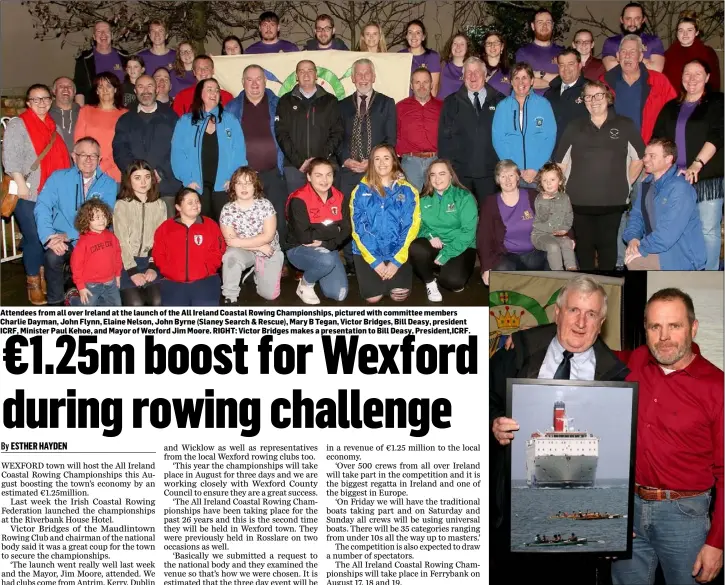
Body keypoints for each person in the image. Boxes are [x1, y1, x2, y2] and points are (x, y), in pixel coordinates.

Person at [489, 275, 629, 585]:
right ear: (557, 312)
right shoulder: (518, 351)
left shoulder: (615, 376)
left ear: (602, 321)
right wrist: (493, 423)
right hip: (510, 515)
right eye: (573, 310)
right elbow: (483, 396)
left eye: (591, 314)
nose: (581, 322)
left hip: (578, 520)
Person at [611, 288, 723, 585]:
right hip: (628, 510)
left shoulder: (717, 386)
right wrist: (535, 337)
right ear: (645, 330)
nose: (664, 336)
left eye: (674, 326)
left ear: (693, 328)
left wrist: (717, 543)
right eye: (655, 326)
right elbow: (583, 347)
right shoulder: (633, 363)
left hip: (685, 516)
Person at [554, 80, 644, 271]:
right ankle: (586, 289)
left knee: (608, 246)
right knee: (584, 247)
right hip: (578, 201)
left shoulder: (625, 125)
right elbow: (560, 164)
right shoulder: (574, 126)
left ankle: (607, 288)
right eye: (588, 96)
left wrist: (626, 183)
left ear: (608, 97)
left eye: (598, 95)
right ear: (584, 100)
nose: (593, 100)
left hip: (612, 201)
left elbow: (639, 159)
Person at [2, 84, 71, 305]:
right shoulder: (18, 124)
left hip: (54, 194)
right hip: (30, 192)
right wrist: (21, 184)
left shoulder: (54, 127)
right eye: (36, 99)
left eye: (45, 99)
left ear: (51, 101)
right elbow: (10, 157)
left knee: (47, 240)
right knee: (33, 239)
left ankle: (44, 279)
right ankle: (33, 283)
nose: (41, 103)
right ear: (28, 103)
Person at [653, 59, 724, 270]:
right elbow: (658, 139)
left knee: (708, 230)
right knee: (679, 230)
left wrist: (697, 164)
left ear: (708, 77)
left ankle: (708, 273)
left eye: (698, 74)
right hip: (676, 180)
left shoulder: (717, 102)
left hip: (707, 177)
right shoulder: (671, 107)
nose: (691, 79)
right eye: (687, 73)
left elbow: (718, 135)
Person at [33, 137, 117, 306]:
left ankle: (81, 294)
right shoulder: (58, 178)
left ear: (100, 159)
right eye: (83, 154)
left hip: (94, 239)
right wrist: (49, 236)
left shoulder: (109, 184)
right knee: (52, 256)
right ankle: (55, 303)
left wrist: (68, 234)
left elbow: (105, 218)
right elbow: (42, 206)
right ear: (74, 156)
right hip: (64, 241)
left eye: (93, 156)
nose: (88, 160)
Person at [337, 58, 396, 273]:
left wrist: (373, 162)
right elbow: (336, 138)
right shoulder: (341, 105)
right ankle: (353, 263)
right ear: (353, 78)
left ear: (373, 76)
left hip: (377, 172)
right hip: (348, 171)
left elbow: (391, 139)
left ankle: (379, 260)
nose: (363, 78)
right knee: (350, 218)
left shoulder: (386, 103)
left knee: (376, 217)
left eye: (367, 73)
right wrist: (345, 159)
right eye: (359, 74)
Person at [226, 65, 289, 248]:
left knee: (277, 216)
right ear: (243, 82)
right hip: (244, 176)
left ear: (265, 81)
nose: (254, 84)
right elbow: (226, 143)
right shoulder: (232, 107)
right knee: (246, 219)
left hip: (273, 171)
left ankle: (280, 258)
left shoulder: (278, 104)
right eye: (250, 79)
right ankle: (249, 256)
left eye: (258, 79)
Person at [350, 144, 420, 303]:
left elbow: (410, 228)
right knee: (373, 298)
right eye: (377, 158)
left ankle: (391, 278)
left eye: (386, 158)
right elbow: (359, 230)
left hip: (397, 251)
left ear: (394, 161)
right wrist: (376, 262)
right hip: (368, 251)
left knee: (398, 295)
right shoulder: (359, 190)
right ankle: (378, 279)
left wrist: (396, 262)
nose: (382, 163)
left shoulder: (408, 191)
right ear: (371, 163)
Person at [623, 137, 706, 270]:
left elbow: (667, 234)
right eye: (645, 155)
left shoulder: (680, 188)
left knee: (633, 261)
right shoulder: (646, 184)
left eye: (652, 156)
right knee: (630, 256)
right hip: (657, 247)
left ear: (668, 159)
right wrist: (633, 239)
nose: (645, 159)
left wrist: (641, 248)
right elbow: (636, 216)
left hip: (680, 255)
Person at [171, 78, 247, 221]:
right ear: (200, 94)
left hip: (224, 185)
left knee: (226, 227)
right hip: (197, 185)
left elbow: (239, 152)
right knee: (201, 228)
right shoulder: (185, 121)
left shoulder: (230, 120)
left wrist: (233, 178)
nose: (214, 93)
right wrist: (187, 179)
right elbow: (177, 153)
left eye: (217, 90)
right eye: (210, 89)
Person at [438, 56, 505, 207]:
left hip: (491, 173)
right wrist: (447, 169)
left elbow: (507, 136)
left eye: (477, 72)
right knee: (462, 215)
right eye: (468, 72)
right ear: (463, 76)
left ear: (485, 75)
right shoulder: (450, 103)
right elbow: (444, 139)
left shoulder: (500, 101)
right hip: (460, 174)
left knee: (488, 216)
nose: (473, 76)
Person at [408, 159, 477, 302]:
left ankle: (444, 270)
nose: (437, 178)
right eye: (433, 175)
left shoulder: (464, 197)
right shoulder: (423, 199)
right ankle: (430, 282)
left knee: (453, 282)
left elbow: (468, 233)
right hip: (436, 244)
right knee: (416, 248)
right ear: (429, 178)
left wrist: (446, 254)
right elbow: (418, 226)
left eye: (442, 173)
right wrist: (429, 235)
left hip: (461, 246)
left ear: (450, 176)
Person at [112, 74, 181, 217]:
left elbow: (179, 150)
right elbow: (120, 150)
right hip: (134, 189)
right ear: (135, 91)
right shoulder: (125, 120)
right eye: (140, 87)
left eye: (150, 86)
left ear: (156, 90)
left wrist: (160, 172)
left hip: (165, 187)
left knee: (166, 233)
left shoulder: (172, 117)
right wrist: (137, 174)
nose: (146, 91)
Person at [286, 158, 350, 304]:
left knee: (339, 294)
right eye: (318, 175)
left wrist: (327, 244)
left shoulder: (339, 197)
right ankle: (306, 284)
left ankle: (319, 271)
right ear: (309, 177)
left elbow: (347, 230)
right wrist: (335, 229)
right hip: (299, 249)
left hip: (329, 247)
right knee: (326, 261)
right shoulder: (298, 199)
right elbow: (305, 237)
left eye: (328, 175)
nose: (324, 180)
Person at [275, 59, 343, 194]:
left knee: (325, 209)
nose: (306, 75)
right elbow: (281, 133)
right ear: (296, 76)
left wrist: (318, 161)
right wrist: (299, 162)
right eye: (301, 71)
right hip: (295, 168)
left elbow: (337, 132)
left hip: (324, 167)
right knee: (297, 209)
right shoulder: (285, 101)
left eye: (310, 71)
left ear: (316, 75)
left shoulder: (330, 101)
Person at [220, 166, 283, 304]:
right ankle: (230, 296)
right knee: (230, 256)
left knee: (269, 295)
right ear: (233, 186)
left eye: (248, 183)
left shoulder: (265, 205)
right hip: (251, 250)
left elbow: (268, 237)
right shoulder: (227, 210)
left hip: (269, 249)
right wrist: (258, 248)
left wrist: (241, 243)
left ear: (255, 186)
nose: (244, 187)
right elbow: (231, 241)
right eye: (239, 183)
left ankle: (258, 271)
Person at [153, 188, 225, 306]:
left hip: (205, 280)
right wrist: (169, 271)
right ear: (178, 207)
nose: (195, 205)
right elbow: (158, 253)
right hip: (173, 282)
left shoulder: (210, 225)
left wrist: (207, 269)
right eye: (190, 202)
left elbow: (218, 250)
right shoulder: (166, 228)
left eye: (197, 201)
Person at [478, 160, 545, 286]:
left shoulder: (533, 196)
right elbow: (484, 237)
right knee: (499, 275)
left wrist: (568, 236)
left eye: (511, 175)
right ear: (497, 180)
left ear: (518, 177)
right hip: (507, 255)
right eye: (503, 176)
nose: (507, 180)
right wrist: (486, 268)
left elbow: (554, 216)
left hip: (536, 254)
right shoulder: (490, 203)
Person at [492, 62, 556, 189]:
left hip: (539, 172)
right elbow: (498, 140)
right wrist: (515, 169)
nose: (520, 82)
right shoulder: (502, 107)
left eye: (524, 77)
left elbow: (550, 137)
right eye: (516, 78)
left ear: (532, 80)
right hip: (513, 175)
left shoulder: (543, 105)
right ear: (511, 82)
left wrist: (536, 167)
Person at [602, 35, 676, 144]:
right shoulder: (604, 83)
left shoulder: (659, 82)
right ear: (618, 56)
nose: (627, 56)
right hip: (614, 149)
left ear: (641, 56)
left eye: (632, 52)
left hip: (648, 151)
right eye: (623, 52)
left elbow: (674, 114)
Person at [113, 160, 166, 307]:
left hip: (150, 261)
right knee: (136, 304)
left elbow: (160, 240)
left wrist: (153, 266)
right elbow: (121, 241)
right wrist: (132, 271)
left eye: (147, 177)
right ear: (129, 180)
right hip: (127, 262)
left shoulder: (160, 205)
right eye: (137, 177)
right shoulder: (121, 205)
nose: (143, 182)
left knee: (158, 301)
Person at [73, 72, 127, 183]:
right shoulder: (86, 111)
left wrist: (103, 166)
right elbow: (79, 143)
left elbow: (125, 145)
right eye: (100, 87)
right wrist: (91, 166)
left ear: (115, 90)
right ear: (97, 91)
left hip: (115, 172)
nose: (105, 90)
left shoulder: (125, 114)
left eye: (109, 86)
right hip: (88, 170)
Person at [395, 68, 443, 193]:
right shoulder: (400, 107)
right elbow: (394, 135)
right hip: (409, 163)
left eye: (425, 82)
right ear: (411, 85)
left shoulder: (442, 107)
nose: (421, 86)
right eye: (417, 82)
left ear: (431, 84)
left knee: (436, 200)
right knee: (409, 201)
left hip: (436, 161)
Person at [69, 199, 122, 306]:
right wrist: (81, 287)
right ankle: (73, 300)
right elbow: (76, 266)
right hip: (91, 285)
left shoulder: (111, 236)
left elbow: (117, 256)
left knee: (117, 305)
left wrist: (117, 275)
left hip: (110, 283)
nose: (102, 220)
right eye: (97, 217)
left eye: (104, 216)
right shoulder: (83, 242)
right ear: (86, 220)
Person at [530, 162, 576, 271]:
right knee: (553, 246)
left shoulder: (565, 198)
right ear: (541, 183)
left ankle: (572, 269)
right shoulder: (540, 199)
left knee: (567, 242)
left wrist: (564, 229)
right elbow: (542, 218)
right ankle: (558, 273)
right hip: (540, 235)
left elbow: (569, 215)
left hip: (556, 234)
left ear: (560, 181)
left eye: (552, 180)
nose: (548, 183)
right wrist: (545, 202)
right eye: (545, 180)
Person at [74, 21, 128, 105]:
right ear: (94, 37)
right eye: (99, 31)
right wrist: (81, 112)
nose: (103, 34)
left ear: (112, 35)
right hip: (94, 109)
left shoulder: (125, 57)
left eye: (106, 31)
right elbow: (79, 88)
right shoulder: (84, 59)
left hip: (122, 108)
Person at [663, 13, 721, 93]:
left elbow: (714, 82)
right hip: (672, 101)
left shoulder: (707, 53)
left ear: (696, 32)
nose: (685, 34)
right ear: (677, 33)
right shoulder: (668, 54)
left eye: (689, 30)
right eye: (681, 30)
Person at [602, 2, 665, 73]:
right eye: (628, 19)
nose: (632, 23)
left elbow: (656, 69)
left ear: (643, 20)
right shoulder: (611, 42)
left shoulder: (654, 41)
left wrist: (623, 60)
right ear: (621, 20)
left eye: (637, 19)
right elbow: (612, 69)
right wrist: (645, 61)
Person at [515, 8, 564, 95]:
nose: (544, 26)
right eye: (540, 22)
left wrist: (539, 75)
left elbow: (568, 78)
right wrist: (556, 82)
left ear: (552, 25)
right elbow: (524, 82)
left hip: (558, 106)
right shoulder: (523, 53)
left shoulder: (563, 52)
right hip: (533, 106)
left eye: (548, 22)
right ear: (533, 26)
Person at [544, 49, 588, 145]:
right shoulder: (549, 94)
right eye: (562, 65)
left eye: (570, 64)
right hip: (553, 151)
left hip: (580, 151)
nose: (566, 69)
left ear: (579, 65)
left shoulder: (590, 90)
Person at [399, 20, 441, 97]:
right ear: (406, 36)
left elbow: (433, 88)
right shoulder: (399, 56)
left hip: (424, 104)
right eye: (410, 32)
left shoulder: (432, 57)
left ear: (423, 37)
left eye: (418, 33)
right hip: (403, 103)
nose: (414, 36)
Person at [49, 77, 80, 154]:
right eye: (61, 86)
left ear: (74, 91)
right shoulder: (45, 114)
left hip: (79, 164)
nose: (66, 89)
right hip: (54, 163)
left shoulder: (84, 113)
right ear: (54, 91)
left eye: (69, 86)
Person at [437, 32, 472, 100]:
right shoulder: (442, 65)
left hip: (462, 109)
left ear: (467, 48)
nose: (458, 46)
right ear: (450, 46)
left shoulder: (472, 69)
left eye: (462, 44)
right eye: (455, 43)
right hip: (442, 107)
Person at [481, 31, 512, 97]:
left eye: (496, 42)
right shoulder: (477, 69)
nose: (492, 45)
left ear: (502, 47)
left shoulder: (510, 71)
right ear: (485, 47)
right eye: (489, 43)